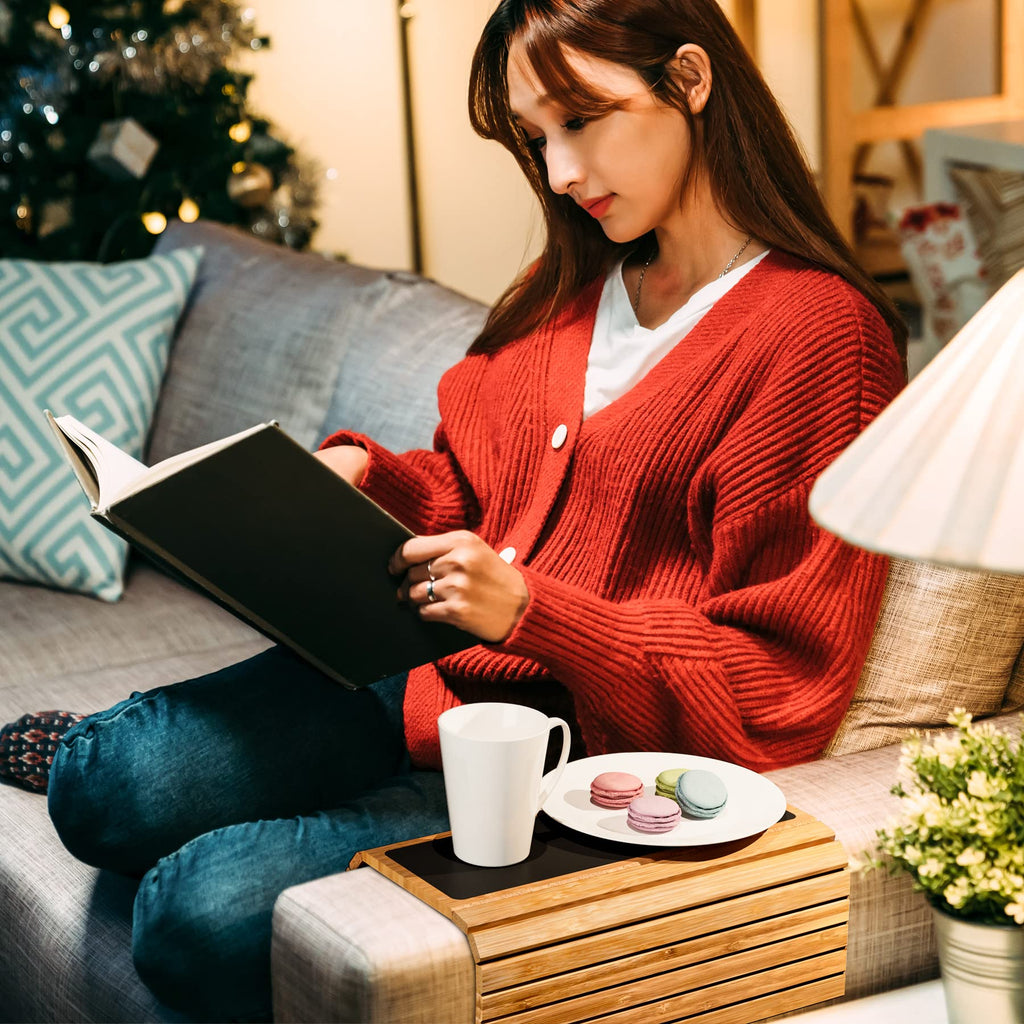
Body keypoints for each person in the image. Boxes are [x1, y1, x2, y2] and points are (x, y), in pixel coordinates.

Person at [41, 0, 906, 1018]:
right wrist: (366, 478)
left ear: (689, 79)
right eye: (536, 138)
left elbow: (778, 684)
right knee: (97, 784)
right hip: (417, 677)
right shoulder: (568, 282)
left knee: (193, 917)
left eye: (580, 120)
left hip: (561, 771)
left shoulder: (822, 338)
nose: (562, 173)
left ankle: (335, 820)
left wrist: (536, 615)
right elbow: (474, 487)